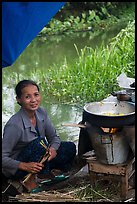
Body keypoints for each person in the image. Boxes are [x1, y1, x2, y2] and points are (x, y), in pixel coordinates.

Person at [2, 79, 77, 182]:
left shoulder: (41, 112)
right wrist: (24, 166)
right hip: (18, 167)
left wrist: (53, 149)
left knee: (69, 147)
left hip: (40, 161)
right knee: (39, 143)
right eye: (27, 97)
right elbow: (3, 158)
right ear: (19, 99)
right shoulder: (14, 125)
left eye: (36, 95)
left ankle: (54, 173)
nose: (33, 100)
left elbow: (54, 138)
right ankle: (41, 178)